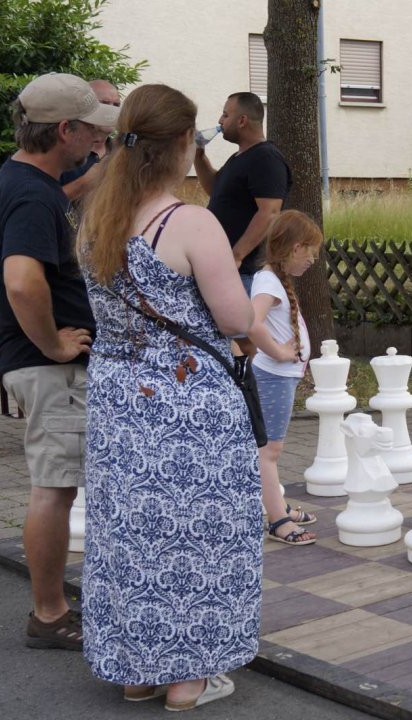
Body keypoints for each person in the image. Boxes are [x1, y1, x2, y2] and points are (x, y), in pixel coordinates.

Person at [77, 84, 260, 710]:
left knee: (131, 532)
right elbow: (234, 318)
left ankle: (138, 670)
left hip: (117, 400)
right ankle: (189, 678)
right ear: (183, 144)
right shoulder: (189, 221)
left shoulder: (95, 218)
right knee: (200, 533)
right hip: (186, 404)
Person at [0, 72, 118, 650]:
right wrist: (55, 345)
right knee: (54, 489)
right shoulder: (33, 194)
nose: (95, 142)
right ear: (65, 130)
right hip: (49, 366)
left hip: (38, 364)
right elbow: (21, 282)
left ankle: (53, 606)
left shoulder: (20, 182)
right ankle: (50, 614)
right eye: (90, 132)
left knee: (55, 486)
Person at [247, 210, 324, 545]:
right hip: (274, 376)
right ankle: (278, 520)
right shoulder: (268, 281)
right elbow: (251, 323)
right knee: (269, 451)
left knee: (268, 449)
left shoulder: (273, 279)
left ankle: (275, 504)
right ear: (295, 248)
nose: (313, 259)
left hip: (280, 377)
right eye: (311, 251)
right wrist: (278, 352)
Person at [192, 91, 291, 299]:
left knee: (243, 331)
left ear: (242, 120)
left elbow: (269, 212)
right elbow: (214, 189)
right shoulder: (239, 158)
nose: (220, 121)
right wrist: (198, 156)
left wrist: (237, 255)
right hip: (228, 270)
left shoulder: (265, 158)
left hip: (246, 273)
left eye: (225, 115)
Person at [60, 79, 121, 202]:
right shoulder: (61, 151)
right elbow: (42, 201)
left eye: (116, 105)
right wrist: (82, 185)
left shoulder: (121, 152)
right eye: (104, 103)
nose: (111, 110)